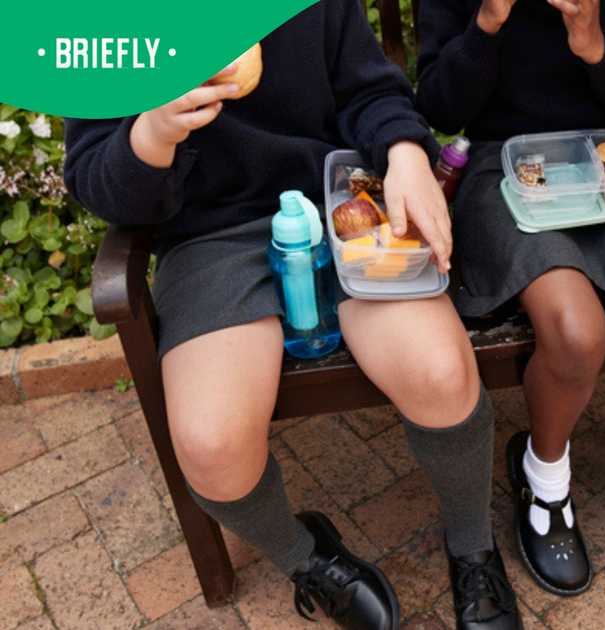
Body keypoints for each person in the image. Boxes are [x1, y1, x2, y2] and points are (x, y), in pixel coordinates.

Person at [64, 2, 521, 628]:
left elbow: (371, 89)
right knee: (211, 444)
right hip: (211, 235)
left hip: (338, 198)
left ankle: (473, 544)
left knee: (440, 374)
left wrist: (405, 150)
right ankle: (306, 556)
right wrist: (152, 134)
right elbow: (99, 183)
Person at [416, 0, 605, 594]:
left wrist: (593, 42)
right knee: (576, 333)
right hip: (503, 168)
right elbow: (440, 108)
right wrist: (488, 23)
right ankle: (543, 478)